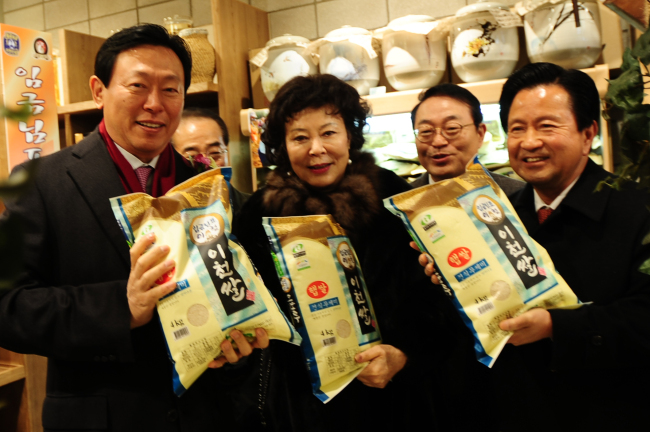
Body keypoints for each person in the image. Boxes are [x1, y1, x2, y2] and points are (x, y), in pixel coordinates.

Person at [0, 24, 267, 432]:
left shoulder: (211, 188)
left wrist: (243, 339)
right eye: (138, 86)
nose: (155, 104)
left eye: (171, 89)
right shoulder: (40, 182)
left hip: (205, 413)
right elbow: (8, 307)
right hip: (100, 417)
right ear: (98, 90)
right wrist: (119, 308)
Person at [422, 63, 650, 431]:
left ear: (587, 132)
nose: (529, 141)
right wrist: (449, 282)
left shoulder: (638, 209)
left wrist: (556, 326)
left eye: (547, 125)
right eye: (517, 128)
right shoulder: (496, 213)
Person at [234, 74, 437, 431]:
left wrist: (403, 353)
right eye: (300, 137)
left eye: (328, 132)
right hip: (302, 405)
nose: (316, 149)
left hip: (394, 398)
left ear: (349, 137)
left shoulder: (394, 198)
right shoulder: (256, 218)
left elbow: (434, 300)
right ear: (282, 144)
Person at [410, 83, 523, 195]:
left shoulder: (518, 196)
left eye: (452, 128)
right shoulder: (398, 204)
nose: (438, 141)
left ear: (480, 134)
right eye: (426, 131)